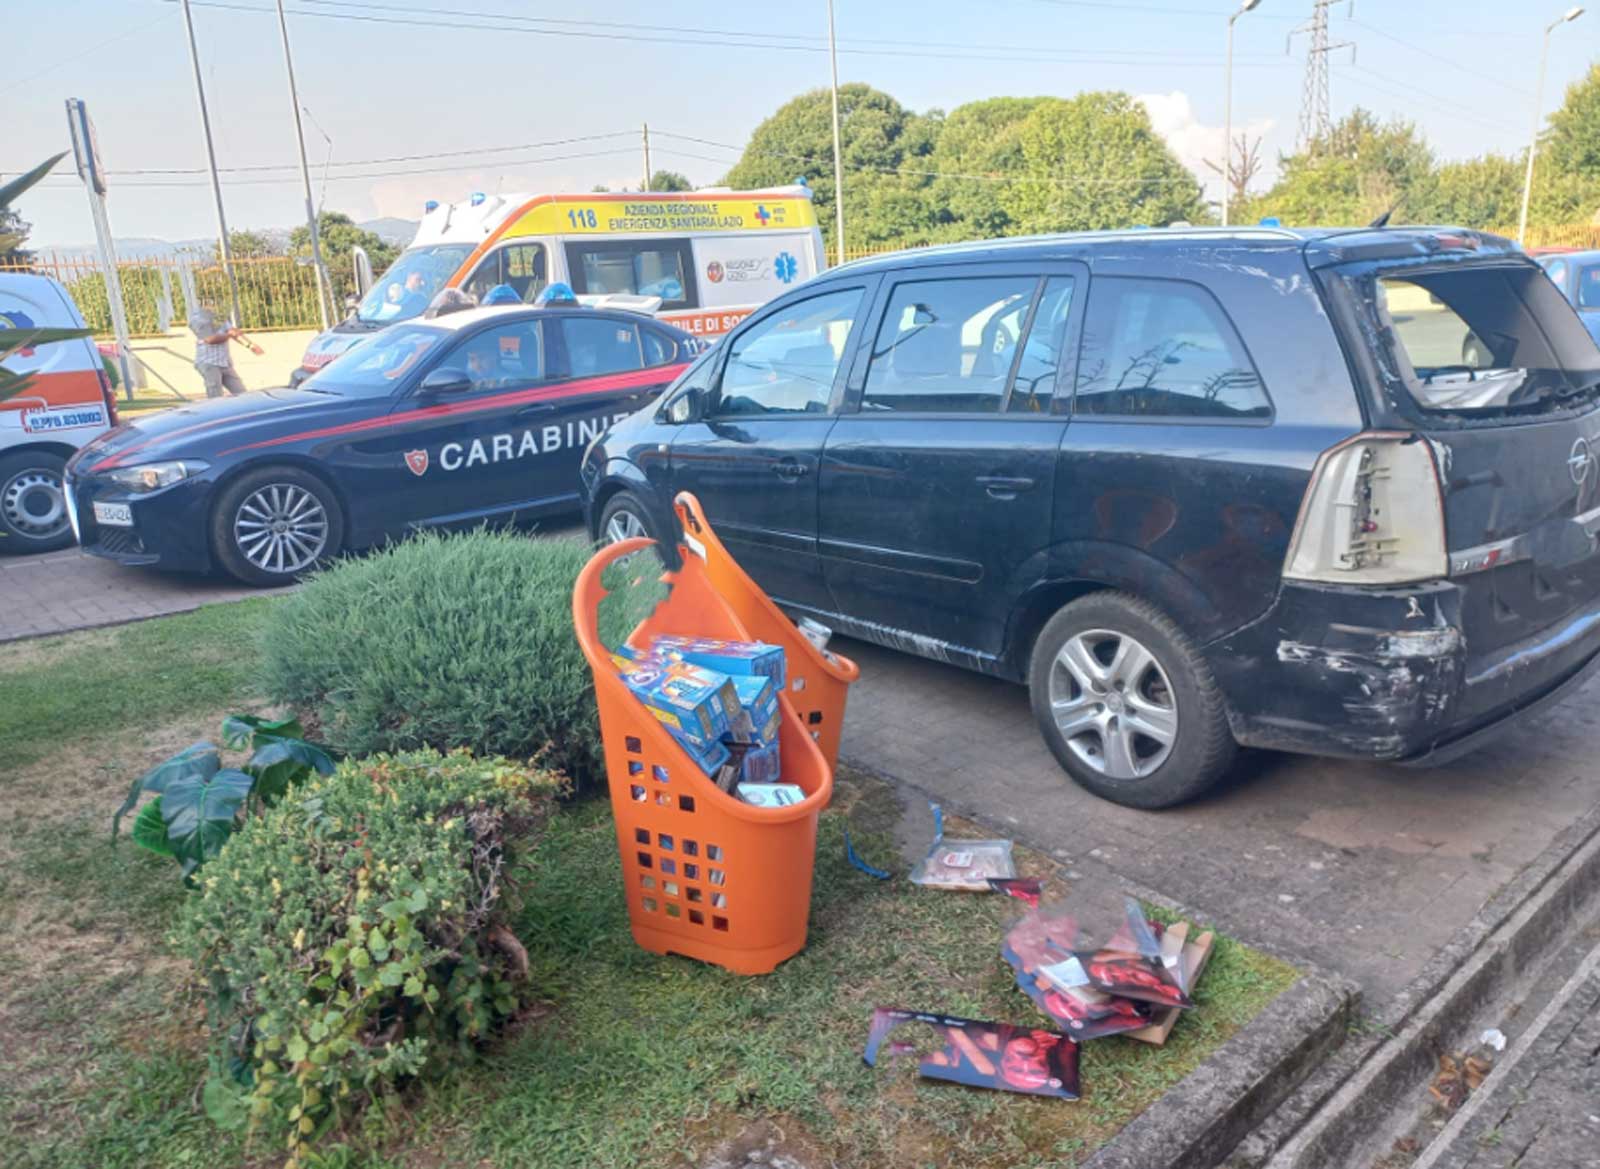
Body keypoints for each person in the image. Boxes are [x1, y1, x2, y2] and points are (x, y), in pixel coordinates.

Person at [188, 301, 250, 398]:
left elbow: (232, 331)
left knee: (241, 392)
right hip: (209, 362)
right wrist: (229, 335)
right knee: (215, 395)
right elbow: (210, 339)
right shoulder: (197, 319)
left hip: (224, 362)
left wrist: (250, 345)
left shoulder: (220, 318)